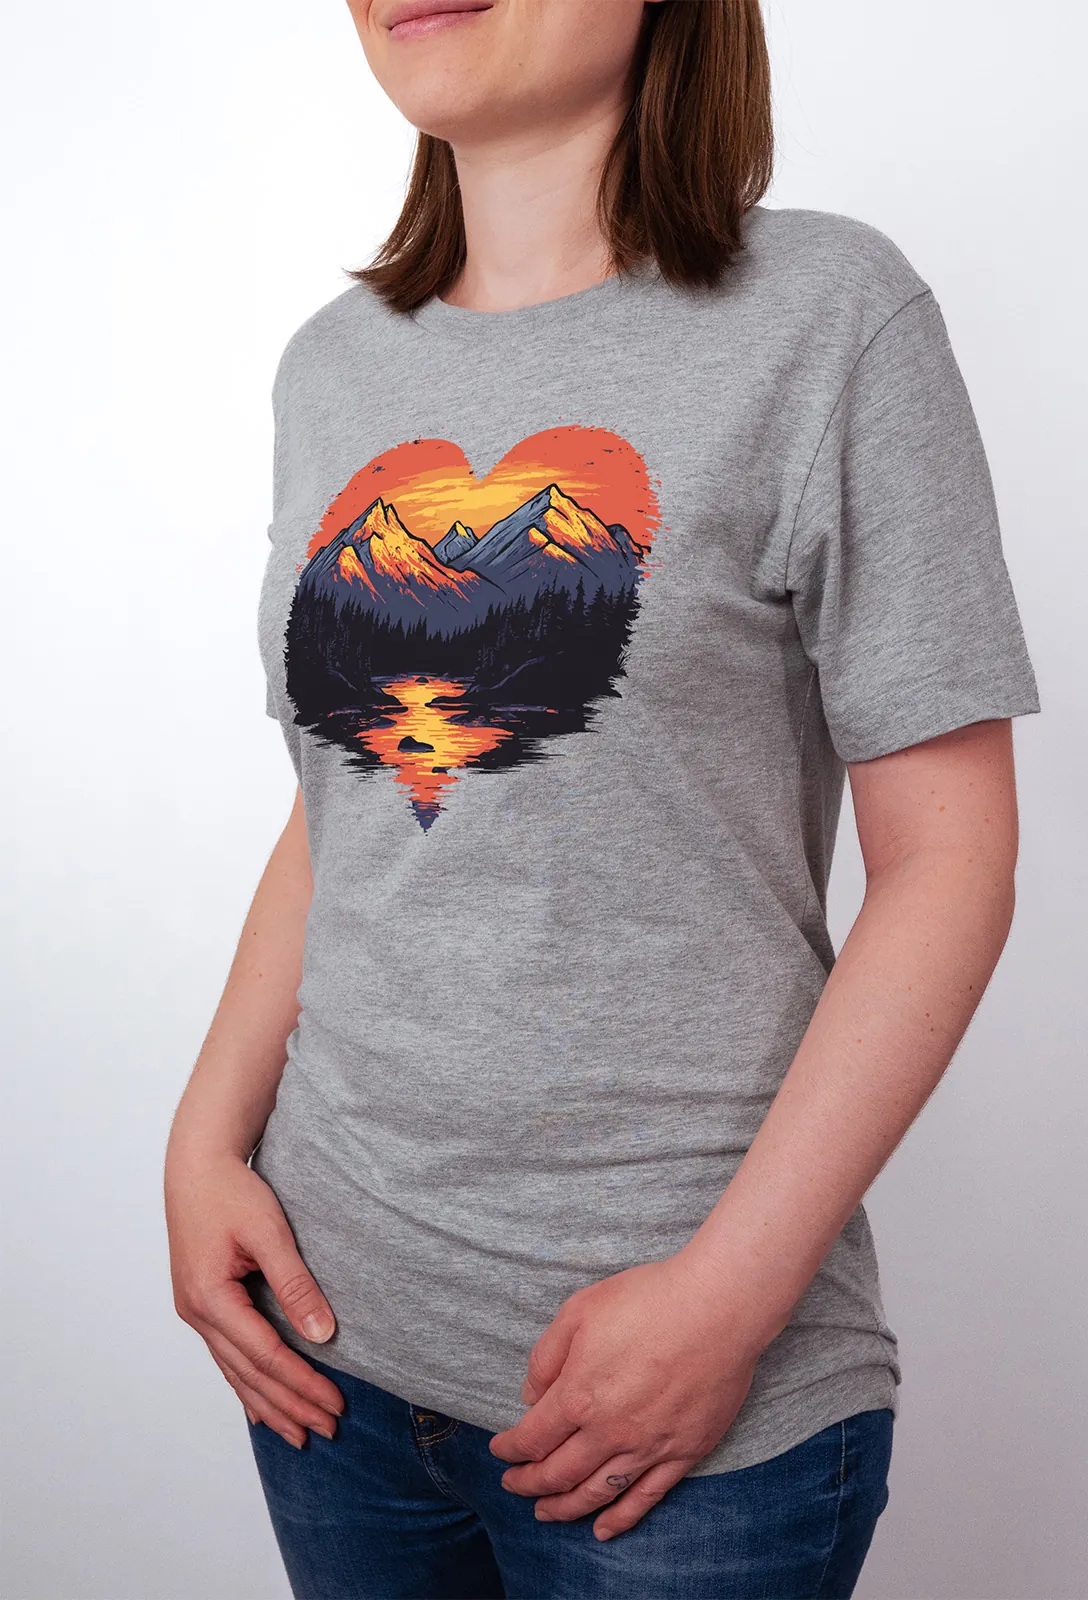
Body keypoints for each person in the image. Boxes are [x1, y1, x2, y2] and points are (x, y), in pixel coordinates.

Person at [164, 1, 1041, 1595]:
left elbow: (950, 861)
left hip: (680, 1418)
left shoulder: (831, 318)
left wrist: (730, 1300)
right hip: (328, 1354)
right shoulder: (332, 366)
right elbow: (351, 795)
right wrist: (204, 1137)